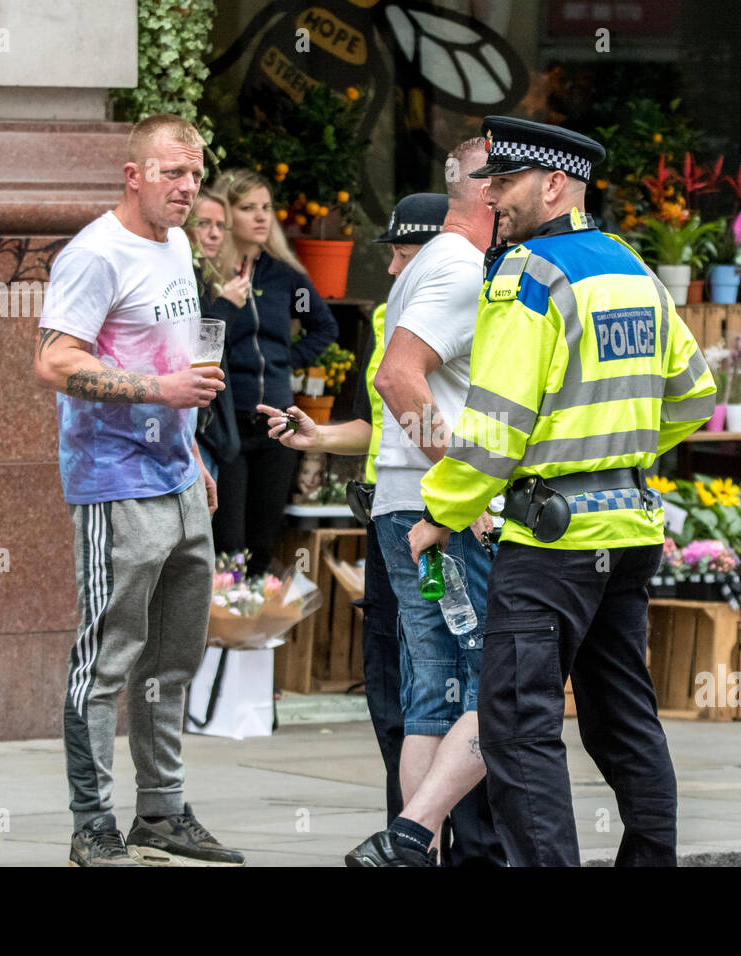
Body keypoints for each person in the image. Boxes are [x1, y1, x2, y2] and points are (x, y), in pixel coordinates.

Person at [407, 116, 716, 866]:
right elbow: (695, 394)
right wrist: (618, 448)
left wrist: (439, 515)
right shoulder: (631, 269)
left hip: (551, 541)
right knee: (623, 720)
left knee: (517, 722)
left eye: (506, 184)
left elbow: (493, 428)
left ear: (552, 185)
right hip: (631, 528)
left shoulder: (525, 275)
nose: (494, 200)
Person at [32, 113, 245, 867]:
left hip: (180, 476)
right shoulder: (94, 253)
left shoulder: (179, 243)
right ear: (134, 175)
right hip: (115, 484)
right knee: (107, 659)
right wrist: (158, 389)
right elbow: (55, 364)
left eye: (195, 173)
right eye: (172, 173)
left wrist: (195, 455)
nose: (188, 187)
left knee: (174, 658)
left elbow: (181, 362)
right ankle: (92, 824)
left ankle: (161, 813)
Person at [259, 192, 450, 826]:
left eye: (402, 252)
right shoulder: (390, 320)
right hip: (386, 521)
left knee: (436, 686)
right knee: (393, 693)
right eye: (391, 252)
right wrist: (318, 436)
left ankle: (439, 836)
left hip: (433, 522)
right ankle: (408, 830)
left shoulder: (462, 305)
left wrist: (462, 488)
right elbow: (376, 425)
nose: (393, 267)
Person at [343, 139, 507, 867]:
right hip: (439, 516)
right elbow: (397, 380)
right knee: (494, 687)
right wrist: (463, 477)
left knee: (434, 696)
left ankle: (413, 851)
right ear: (489, 194)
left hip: (408, 508)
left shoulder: (432, 263)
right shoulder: (462, 268)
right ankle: (409, 839)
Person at [210, 168, 338, 574]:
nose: (262, 217)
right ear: (227, 215)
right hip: (227, 423)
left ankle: (253, 631)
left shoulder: (285, 278)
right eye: (249, 208)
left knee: (264, 539)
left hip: (276, 424)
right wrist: (226, 303)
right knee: (228, 543)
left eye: (267, 208)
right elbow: (201, 338)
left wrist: (286, 361)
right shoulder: (210, 275)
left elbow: (323, 326)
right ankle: (222, 630)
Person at [186, 186, 242, 483]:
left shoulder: (215, 278)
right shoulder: (185, 277)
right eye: (203, 223)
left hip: (214, 430)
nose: (214, 233)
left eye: (221, 225)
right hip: (195, 430)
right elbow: (203, 351)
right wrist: (226, 306)